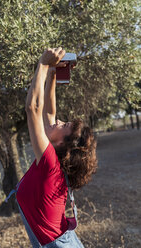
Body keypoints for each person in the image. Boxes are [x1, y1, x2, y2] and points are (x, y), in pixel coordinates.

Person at [16, 48, 97, 247]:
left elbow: (33, 109)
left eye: (64, 125)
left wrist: (43, 64)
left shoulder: (50, 165)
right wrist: (52, 74)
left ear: (63, 144)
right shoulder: (55, 163)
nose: (58, 120)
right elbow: (49, 113)